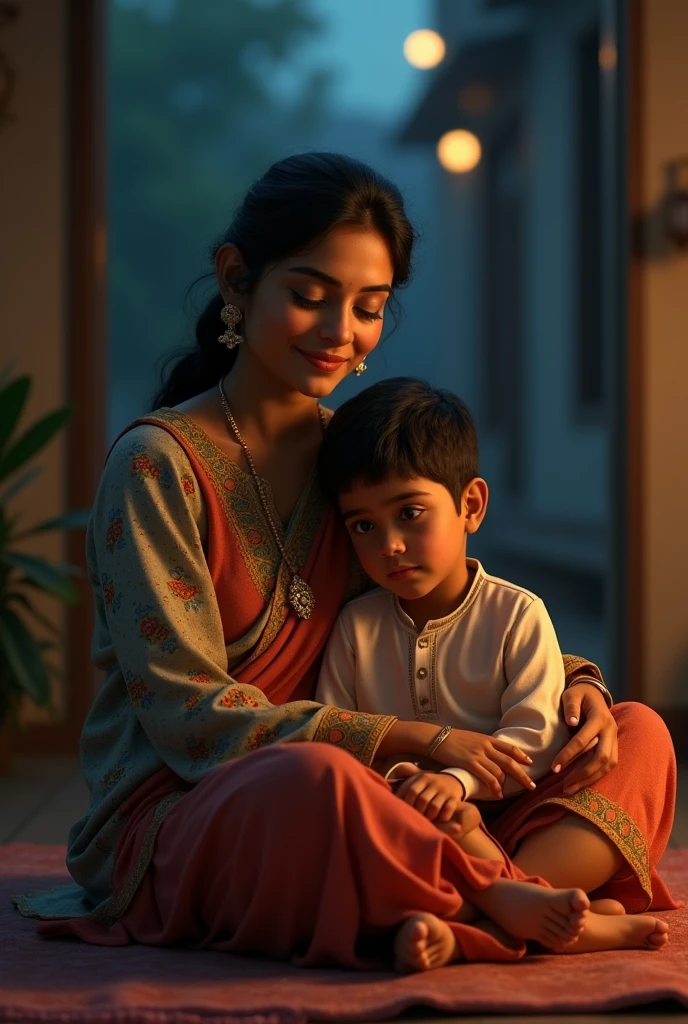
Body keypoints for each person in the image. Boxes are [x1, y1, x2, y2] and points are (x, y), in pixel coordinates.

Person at [13, 152, 678, 973]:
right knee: (320, 785)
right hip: (205, 806)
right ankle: (501, 904)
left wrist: (578, 683)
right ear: (234, 279)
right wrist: (420, 738)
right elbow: (189, 719)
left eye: (369, 308)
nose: (341, 334)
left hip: (395, 792)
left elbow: (443, 602)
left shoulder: (352, 458)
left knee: (636, 734)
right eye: (308, 296)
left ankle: (455, 908)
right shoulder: (159, 467)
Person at [316, 376, 676, 960]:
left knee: (643, 732)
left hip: (529, 819)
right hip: (422, 829)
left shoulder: (516, 612)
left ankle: (478, 918)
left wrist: (457, 781)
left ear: (471, 506)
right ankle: (536, 915)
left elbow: (534, 738)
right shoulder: (356, 626)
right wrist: (412, 786)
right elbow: (339, 736)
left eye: (410, 513)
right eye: (363, 525)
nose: (390, 545)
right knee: (364, 828)